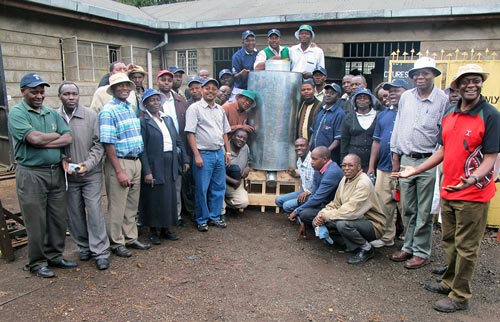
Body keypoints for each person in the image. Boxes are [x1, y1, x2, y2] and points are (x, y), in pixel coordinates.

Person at [394, 64, 499, 313]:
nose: (471, 85)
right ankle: (449, 283)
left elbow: (491, 157)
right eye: (466, 81)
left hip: (472, 194)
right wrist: (415, 169)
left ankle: (460, 295)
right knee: (450, 240)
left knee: (467, 246)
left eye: (475, 80)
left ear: (481, 84)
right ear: (457, 86)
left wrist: (473, 179)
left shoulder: (490, 115)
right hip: (449, 189)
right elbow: (443, 150)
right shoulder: (451, 113)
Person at [8, 73, 75, 278]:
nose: (38, 96)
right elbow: (34, 139)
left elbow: (68, 137)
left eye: (41, 91)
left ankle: (55, 256)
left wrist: (46, 141)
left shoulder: (50, 113)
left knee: (57, 218)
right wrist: (54, 138)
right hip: (31, 174)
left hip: (55, 171)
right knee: (36, 221)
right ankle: (37, 263)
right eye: (33, 92)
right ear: (23, 92)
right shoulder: (17, 113)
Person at [389, 57, 449, 269]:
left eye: (425, 73)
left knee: (424, 211)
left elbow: (444, 133)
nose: (420, 77)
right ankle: (408, 246)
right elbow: (398, 125)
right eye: (417, 74)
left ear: (434, 75)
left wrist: (436, 162)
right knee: (408, 209)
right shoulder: (406, 97)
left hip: (428, 161)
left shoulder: (442, 100)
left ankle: (422, 252)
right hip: (406, 159)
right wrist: (395, 154)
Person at [57, 82, 110, 271]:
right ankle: (84, 247)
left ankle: (101, 251)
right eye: (66, 94)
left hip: (91, 173)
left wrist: (87, 165)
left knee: (94, 210)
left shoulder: (91, 116)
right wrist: (62, 160)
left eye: (74, 94)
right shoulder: (55, 117)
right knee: (74, 213)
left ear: (79, 96)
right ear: (60, 97)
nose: (71, 97)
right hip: (68, 175)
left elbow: (98, 144)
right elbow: (55, 144)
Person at [99, 73, 150, 258]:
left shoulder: (129, 107)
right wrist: (119, 171)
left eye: (126, 86)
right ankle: (116, 242)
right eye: (119, 86)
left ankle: (130, 237)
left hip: (135, 160)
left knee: (131, 204)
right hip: (120, 162)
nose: (124, 89)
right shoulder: (108, 111)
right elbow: (108, 143)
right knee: (118, 205)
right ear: (113, 89)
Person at [312, 154, 385, 265]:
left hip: (372, 224)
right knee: (319, 221)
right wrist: (321, 215)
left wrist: (326, 216)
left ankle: (366, 249)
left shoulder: (363, 182)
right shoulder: (345, 179)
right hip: (354, 218)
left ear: (359, 167)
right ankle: (350, 245)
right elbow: (336, 203)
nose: (346, 168)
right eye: (344, 165)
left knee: (343, 224)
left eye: (350, 165)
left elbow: (350, 211)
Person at [139, 89, 188, 245]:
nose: (155, 102)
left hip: (170, 162)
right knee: (154, 198)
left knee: (169, 197)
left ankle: (166, 229)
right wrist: (146, 171)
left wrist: (185, 160)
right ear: (145, 103)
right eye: (152, 100)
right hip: (155, 164)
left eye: (157, 100)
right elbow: (143, 149)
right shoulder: (143, 121)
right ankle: (153, 231)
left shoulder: (167, 119)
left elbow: (178, 141)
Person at [185, 78, 231, 232]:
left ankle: (215, 217)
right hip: (203, 154)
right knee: (202, 188)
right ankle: (202, 219)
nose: (211, 91)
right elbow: (190, 133)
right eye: (207, 88)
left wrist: (227, 151)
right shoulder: (194, 108)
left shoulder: (220, 109)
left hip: (219, 152)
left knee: (218, 187)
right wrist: (196, 155)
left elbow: (225, 132)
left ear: (217, 91)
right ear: (202, 90)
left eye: (214, 89)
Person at [367, 79, 409, 248]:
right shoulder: (383, 115)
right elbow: (376, 142)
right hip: (384, 168)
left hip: (407, 168)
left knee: (407, 207)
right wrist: (372, 166)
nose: (392, 94)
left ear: (406, 92)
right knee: (383, 205)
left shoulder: (410, 113)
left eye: (396, 90)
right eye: (389, 91)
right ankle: (386, 237)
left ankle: (411, 243)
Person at [156, 69, 190, 225]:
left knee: (177, 183)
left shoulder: (180, 100)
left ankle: (176, 216)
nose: (167, 82)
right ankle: (161, 218)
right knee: (161, 183)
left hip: (179, 144)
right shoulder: (152, 99)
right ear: (158, 81)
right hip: (160, 147)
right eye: (163, 79)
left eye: (169, 80)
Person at [288, 146, 343, 228]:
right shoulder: (318, 169)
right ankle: (307, 222)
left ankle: (325, 230)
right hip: (322, 201)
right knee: (302, 199)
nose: (311, 162)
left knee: (304, 214)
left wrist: (297, 211)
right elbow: (314, 193)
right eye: (311, 159)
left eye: (314, 159)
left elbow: (318, 198)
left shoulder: (332, 173)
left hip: (332, 206)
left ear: (324, 159)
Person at [340, 88, 378, 172]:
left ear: (370, 101)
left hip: (374, 161)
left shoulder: (378, 116)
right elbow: (344, 141)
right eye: (359, 98)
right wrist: (343, 162)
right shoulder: (348, 118)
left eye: (365, 97)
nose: (362, 100)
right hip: (353, 161)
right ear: (355, 101)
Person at [309, 83, 345, 164]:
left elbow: (338, 139)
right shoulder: (321, 110)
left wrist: (326, 152)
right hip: (314, 155)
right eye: (327, 92)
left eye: (332, 93)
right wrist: (309, 147)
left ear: (338, 96)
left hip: (328, 158)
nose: (328, 95)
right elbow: (313, 132)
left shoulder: (339, 114)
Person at [275, 138, 314, 213]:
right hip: (303, 191)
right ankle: (300, 208)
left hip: (312, 194)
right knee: (278, 200)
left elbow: (319, 183)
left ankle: (302, 213)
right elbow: (305, 175)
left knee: (286, 206)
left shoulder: (313, 161)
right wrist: (295, 174)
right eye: (297, 146)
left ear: (308, 146)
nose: (299, 148)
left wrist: (308, 192)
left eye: (302, 145)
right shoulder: (299, 160)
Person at [224, 129, 251, 214]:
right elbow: (218, 171)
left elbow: (248, 161)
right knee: (217, 202)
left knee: (243, 202)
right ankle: (221, 204)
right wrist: (233, 181)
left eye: (244, 138)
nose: (241, 140)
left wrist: (247, 167)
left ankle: (226, 203)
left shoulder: (245, 147)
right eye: (239, 136)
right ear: (232, 136)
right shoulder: (224, 149)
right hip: (223, 182)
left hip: (237, 182)